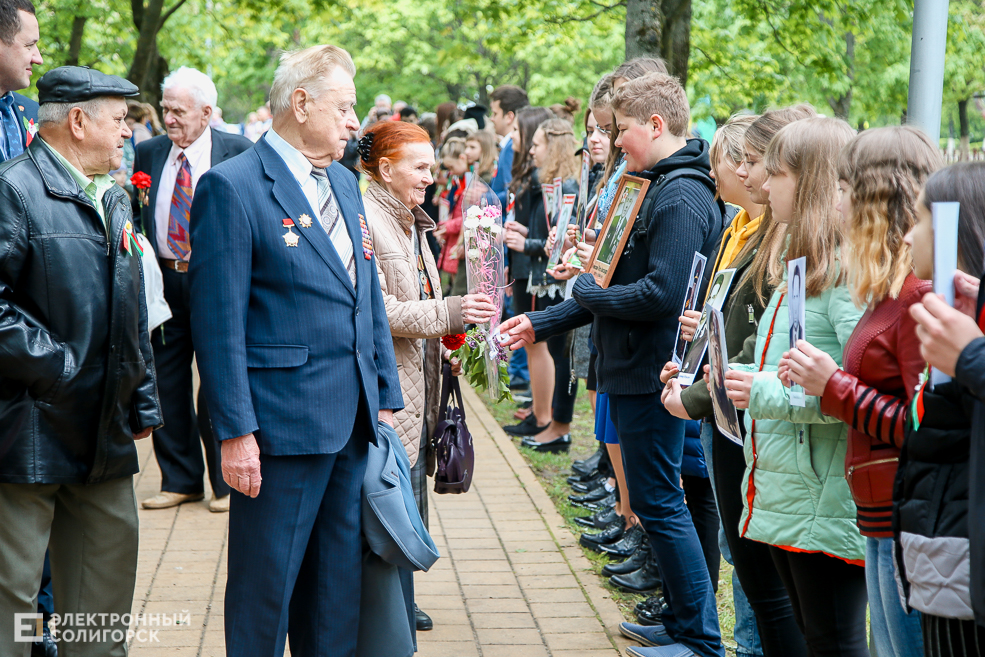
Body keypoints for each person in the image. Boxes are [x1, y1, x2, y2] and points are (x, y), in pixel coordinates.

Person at [501, 72, 727, 657]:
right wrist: (542, 322)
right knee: (656, 499)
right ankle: (681, 622)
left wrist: (585, 288)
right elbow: (608, 285)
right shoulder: (652, 185)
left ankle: (698, 638)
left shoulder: (679, 195)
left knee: (658, 501)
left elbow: (661, 294)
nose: (615, 140)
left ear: (655, 124)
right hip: (631, 363)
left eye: (621, 129)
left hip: (651, 370)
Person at [189, 45, 403, 657]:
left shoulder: (345, 182)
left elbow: (366, 296)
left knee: (334, 594)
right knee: (265, 594)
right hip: (278, 430)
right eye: (345, 107)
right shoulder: (232, 187)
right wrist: (235, 433)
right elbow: (219, 325)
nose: (355, 123)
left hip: (350, 423)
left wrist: (384, 394)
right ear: (302, 103)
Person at [0, 65, 162, 657]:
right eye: (118, 120)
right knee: (12, 606)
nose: (127, 132)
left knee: (101, 605)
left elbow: (131, 304)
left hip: (104, 429)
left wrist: (141, 396)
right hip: (27, 430)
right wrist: (62, 370)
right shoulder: (12, 189)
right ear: (76, 121)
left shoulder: (113, 195)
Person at [780, 126, 941, 657]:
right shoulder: (888, 293)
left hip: (905, 518)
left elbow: (925, 425)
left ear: (875, 200)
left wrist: (834, 386)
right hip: (879, 513)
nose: (836, 203)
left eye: (845, 190)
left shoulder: (917, 297)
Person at [661, 108, 816, 657]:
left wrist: (697, 395)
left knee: (774, 587)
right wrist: (699, 356)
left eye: (756, 163)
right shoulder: (756, 234)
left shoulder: (791, 247)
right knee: (754, 570)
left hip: (753, 420)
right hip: (735, 410)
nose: (749, 176)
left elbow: (773, 353)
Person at [724, 117, 865, 657]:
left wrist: (755, 390)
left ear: (809, 182)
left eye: (775, 172)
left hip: (822, 496)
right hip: (794, 490)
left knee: (831, 640)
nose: (761, 182)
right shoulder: (802, 265)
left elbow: (855, 392)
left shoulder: (842, 274)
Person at [359, 120, 497, 633]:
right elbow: (379, 309)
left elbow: (417, 296)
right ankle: (388, 611)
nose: (429, 177)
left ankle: (402, 601)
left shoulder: (409, 220)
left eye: (431, 167)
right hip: (391, 387)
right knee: (393, 501)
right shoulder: (367, 219)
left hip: (417, 381)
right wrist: (452, 313)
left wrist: (446, 347)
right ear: (385, 169)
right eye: (419, 167)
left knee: (411, 496)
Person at [133, 66, 253, 513]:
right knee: (165, 380)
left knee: (217, 379)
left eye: (178, 111)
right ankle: (180, 479)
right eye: (165, 109)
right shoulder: (148, 152)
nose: (168, 118)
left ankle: (226, 483)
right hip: (165, 281)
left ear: (206, 112)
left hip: (216, 281)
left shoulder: (238, 151)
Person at [896, 162, 985, 655]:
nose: (908, 236)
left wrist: (970, 357)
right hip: (941, 558)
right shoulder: (963, 317)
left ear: (957, 229)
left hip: (961, 566)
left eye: (919, 219)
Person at [508, 117, 580, 452]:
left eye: (537, 145)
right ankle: (545, 419)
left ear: (553, 147)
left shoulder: (565, 186)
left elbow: (560, 238)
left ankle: (551, 422)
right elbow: (547, 233)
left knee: (554, 351)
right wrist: (527, 236)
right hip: (540, 275)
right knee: (545, 348)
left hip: (552, 280)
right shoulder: (548, 182)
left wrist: (527, 244)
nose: (531, 151)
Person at [500, 105, 555, 438]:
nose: (514, 137)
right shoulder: (526, 172)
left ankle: (543, 416)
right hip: (520, 265)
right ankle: (538, 409)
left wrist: (524, 242)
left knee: (536, 341)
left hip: (533, 268)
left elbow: (545, 228)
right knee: (531, 341)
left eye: (518, 131)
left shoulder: (538, 177)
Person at [436, 137, 468, 293]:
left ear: (462, 158)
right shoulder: (459, 181)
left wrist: (448, 226)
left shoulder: (469, 184)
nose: (451, 172)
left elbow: (468, 215)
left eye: (451, 167)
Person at [488, 84, 529, 205]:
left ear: (509, 117)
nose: (491, 118)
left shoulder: (512, 147)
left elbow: (510, 191)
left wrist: (484, 197)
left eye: (495, 114)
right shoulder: (508, 145)